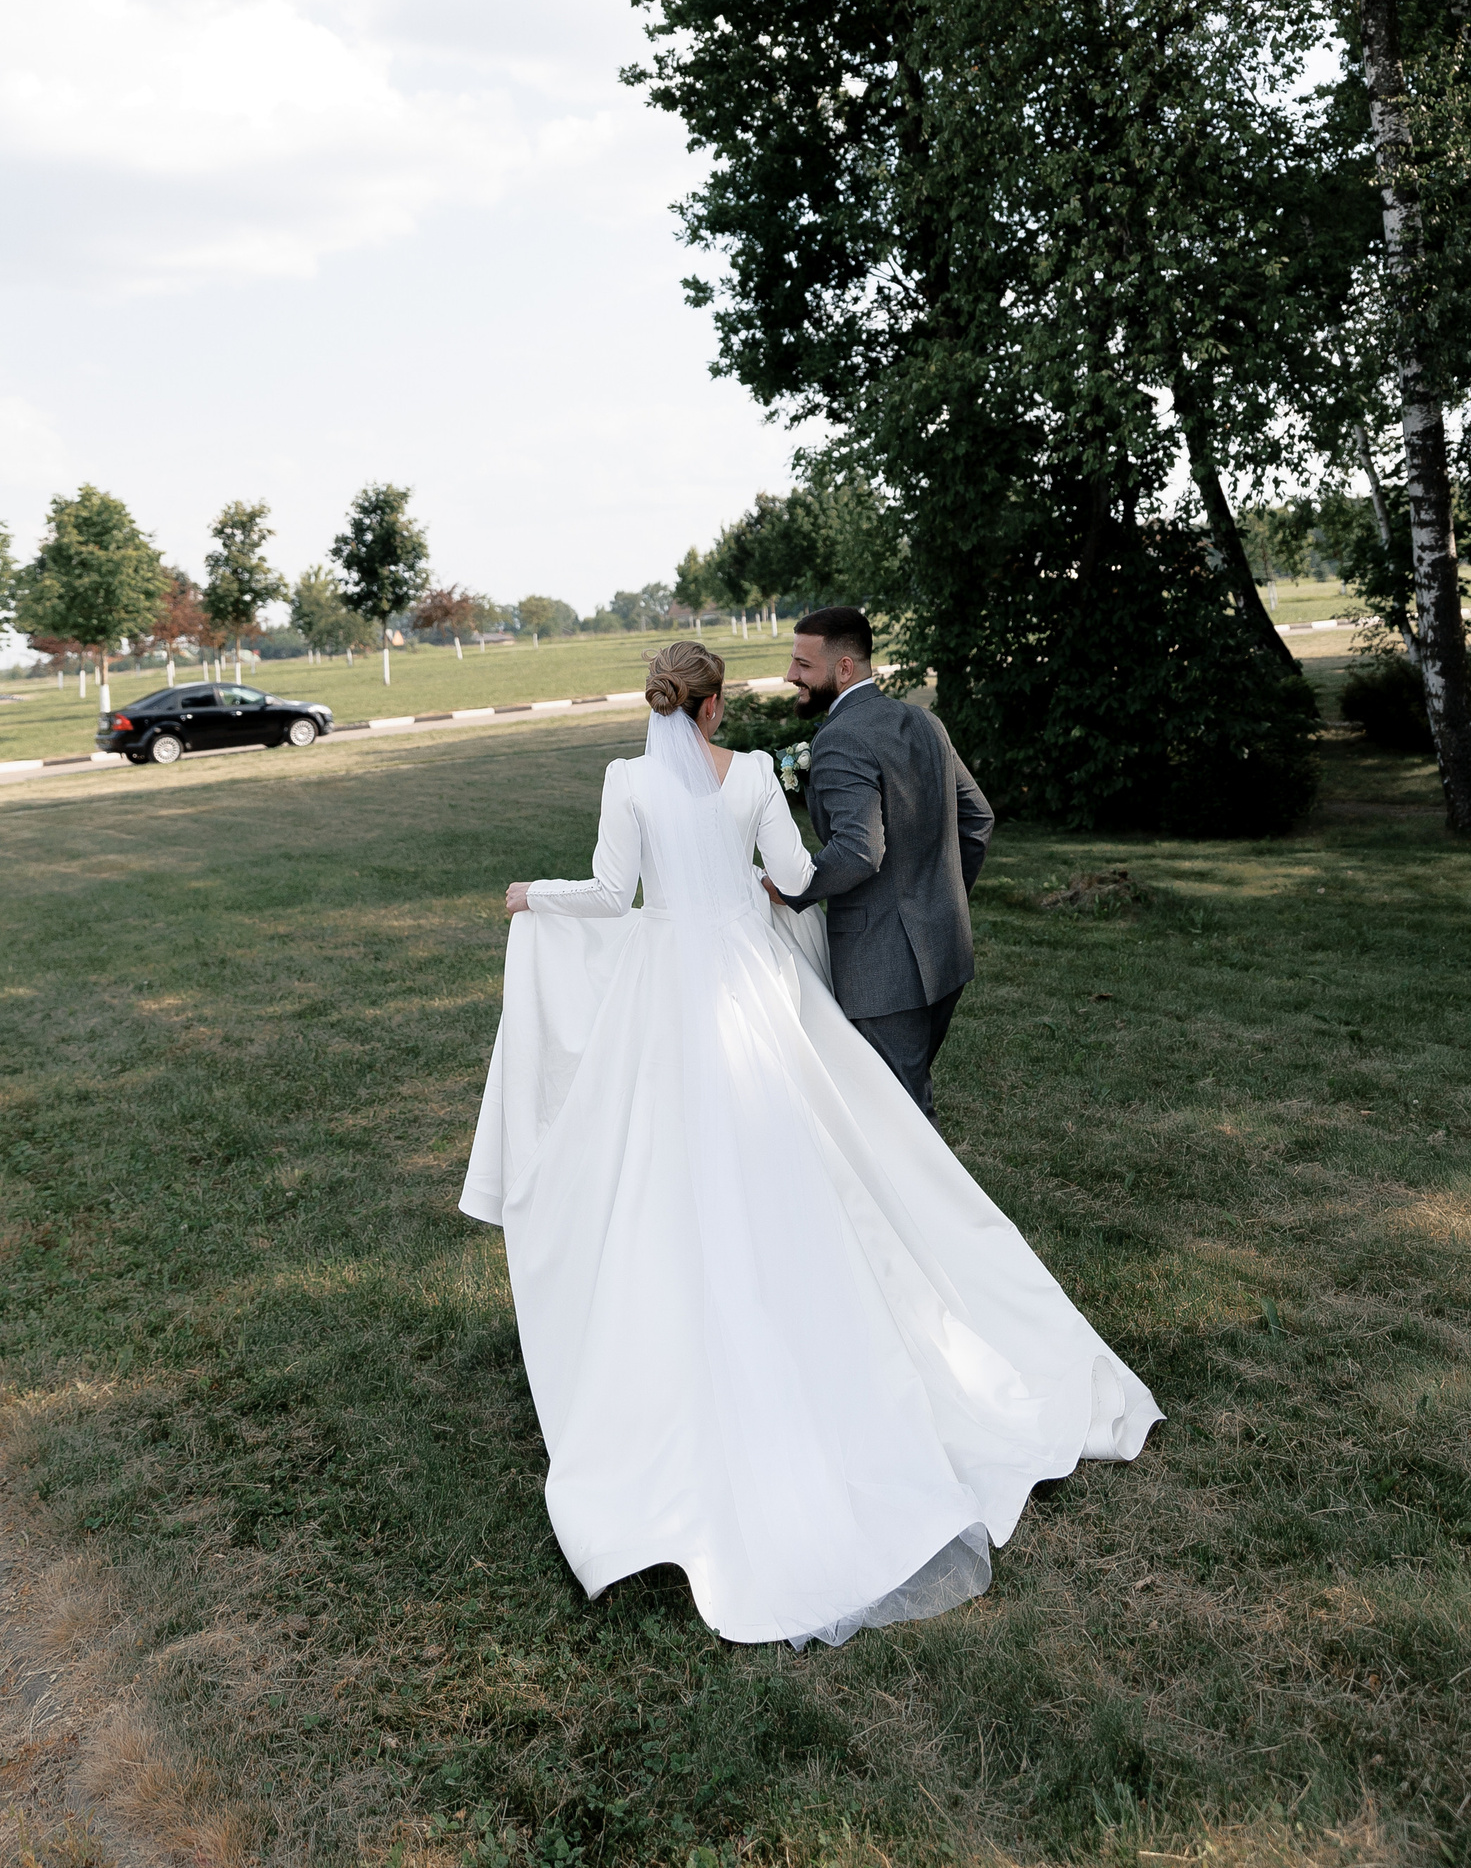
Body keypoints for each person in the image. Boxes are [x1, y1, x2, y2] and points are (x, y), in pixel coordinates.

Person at [461, 639, 1161, 1651]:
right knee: (812, 1142)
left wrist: (536, 893)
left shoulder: (625, 781)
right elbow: (794, 875)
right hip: (748, 984)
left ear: (662, 706)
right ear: (712, 707)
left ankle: (682, 1329)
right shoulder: (752, 773)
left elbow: (614, 896)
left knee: (663, 1163)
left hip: (669, 994)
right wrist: (753, 882)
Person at [764, 605, 988, 1120]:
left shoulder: (840, 738)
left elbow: (859, 850)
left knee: (899, 1117)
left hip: (882, 966)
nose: (790, 675)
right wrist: (943, 898)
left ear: (844, 668)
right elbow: (978, 819)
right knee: (905, 1100)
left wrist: (791, 887)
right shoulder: (924, 721)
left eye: (803, 664)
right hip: (946, 948)